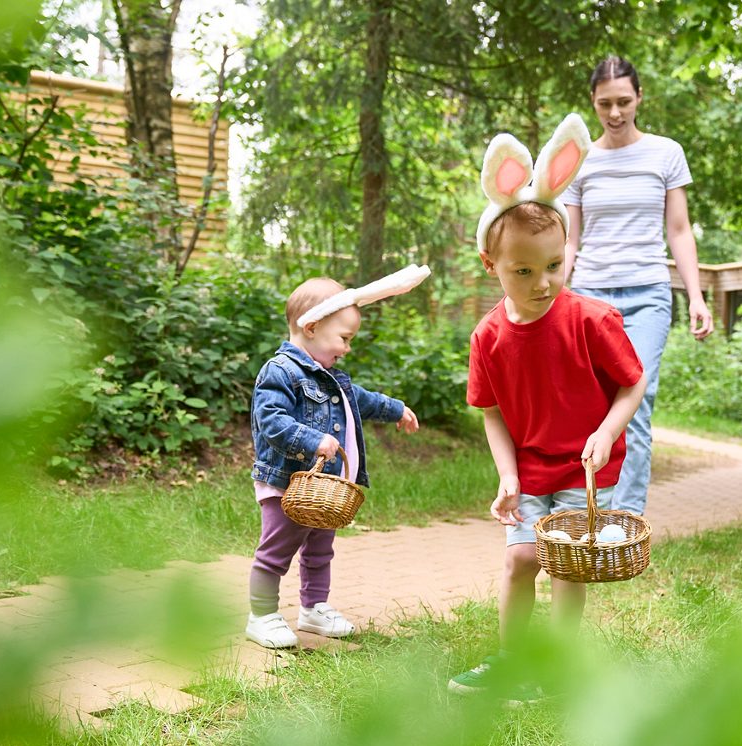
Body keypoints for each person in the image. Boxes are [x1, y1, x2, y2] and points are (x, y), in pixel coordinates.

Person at [448, 114, 647, 703]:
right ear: (493, 267)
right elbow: (490, 412)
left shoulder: (591, 320)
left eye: (554, 266)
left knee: (565, 567)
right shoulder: (488, 337)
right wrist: (508, 475)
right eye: (524, 271)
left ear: (567, 253)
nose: (543, 282)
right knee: (520, 561)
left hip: (587, 468)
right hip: (531, 467)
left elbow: (631, 385)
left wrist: (609, 432)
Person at [563, 55, 714, 516]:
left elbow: (680, 230)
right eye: (605, 103)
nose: (614, 113)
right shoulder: (579, 159)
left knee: (638, 397)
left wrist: (697, 296)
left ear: (640, 97)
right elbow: (570, 239)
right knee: (590, 403)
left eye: (624, 101)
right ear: (592, 101)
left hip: (648, 293)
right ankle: (588, 507)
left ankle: (624, 519)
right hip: (589, 294)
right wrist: (549, 292)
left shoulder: (666, 153)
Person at [246, 273, 425, 649]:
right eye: (344, 339)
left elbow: (360, 398)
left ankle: (313, 608)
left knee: (319, 549)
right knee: (276, 549)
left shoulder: (330, 377)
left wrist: (396, 409)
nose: (346, 348)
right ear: (310, 327)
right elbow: (271, 421)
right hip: (287, 484)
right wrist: (312, 439)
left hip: (324, 489)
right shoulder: (280, 372)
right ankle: (261, 615)